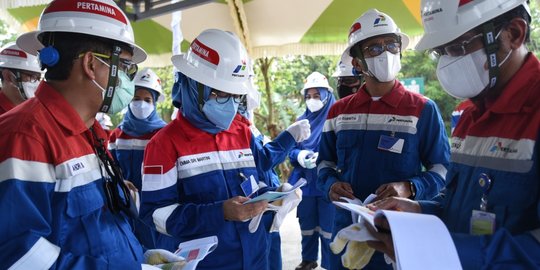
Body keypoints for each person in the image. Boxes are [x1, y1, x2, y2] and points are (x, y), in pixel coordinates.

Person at [0, 0, 183, 268]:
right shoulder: (25, 136)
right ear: (90, 64)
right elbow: (18, 256)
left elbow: (90, 231)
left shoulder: (91, 134)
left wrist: (137, 258)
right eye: (125, 66)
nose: (128, 80)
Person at [367, 0, 540, 269]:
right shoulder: (470, 117)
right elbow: (462, 206)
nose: (448, 61)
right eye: (442, 51)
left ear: (514, 34)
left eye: (459, 46)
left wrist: (438, 250)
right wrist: (419, 210)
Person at [139, 29, 310, 270]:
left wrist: (274, 198)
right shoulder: (163, 144)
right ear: (192, 87)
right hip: (207, 263)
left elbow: (252, 183)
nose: (229, 104)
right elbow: (156, 216)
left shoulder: (242, 132)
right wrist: (219, 212)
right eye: (220, 93)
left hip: (255, 257)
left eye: (234, 95)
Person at [317, 9, 450, 270]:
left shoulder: (422, 109)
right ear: (357, 63)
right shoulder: (339, 112)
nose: (386, 52)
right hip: (346, 232)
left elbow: (443, 170)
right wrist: (330, 185)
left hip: (395, 238)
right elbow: (324, 163)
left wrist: (409, 188)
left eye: (392, 44)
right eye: (374, 48)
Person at [109, 67, 167, 249]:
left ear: (155, 102)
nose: (141, 104)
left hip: (156, 209)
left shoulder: (164, 135)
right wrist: (120, 181)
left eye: (147, 100)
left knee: (158, 255)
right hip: (124, 206)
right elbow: (109, 167)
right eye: (136, 98)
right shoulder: (117, 135)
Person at [288, 71, 336, 270]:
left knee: (328, 228)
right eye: (308, 96)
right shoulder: (301, 121)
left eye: (317, 96)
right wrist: (299, 156)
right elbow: (290, 148)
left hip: (329, 184)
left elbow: (345, 149)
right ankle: (308, 259)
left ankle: (329, 263)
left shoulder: (336, 118)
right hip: (306, 184)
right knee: (307, 225)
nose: (312, 100)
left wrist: (323, 157)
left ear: (327, 95)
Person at [0, 42, 42, 115]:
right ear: (8, 76)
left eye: (38, 77)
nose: (36, 83)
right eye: (31, 76)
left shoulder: (37, 111)